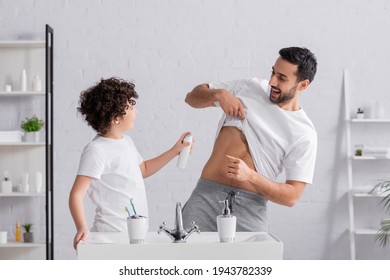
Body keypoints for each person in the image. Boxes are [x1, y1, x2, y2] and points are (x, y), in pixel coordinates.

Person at [182, 47, 317, 232]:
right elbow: (191, 98)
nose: (272, 81)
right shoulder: (249, 87)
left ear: (303, 85)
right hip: (204, 198)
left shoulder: (303, 132)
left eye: (282, 78)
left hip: (249, 208)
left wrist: (250, 176)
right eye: (273, 72)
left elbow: (291, 196)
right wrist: (219, 95)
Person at [69, 77, 191, 249]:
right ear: (116, 119)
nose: (136, 112)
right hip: (112, 235)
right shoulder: (96, 151)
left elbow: (144, 169)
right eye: (131, 107)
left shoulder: (126, 142)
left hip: (134, 233)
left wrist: (174, 151)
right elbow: (76, 195)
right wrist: (81, 227)